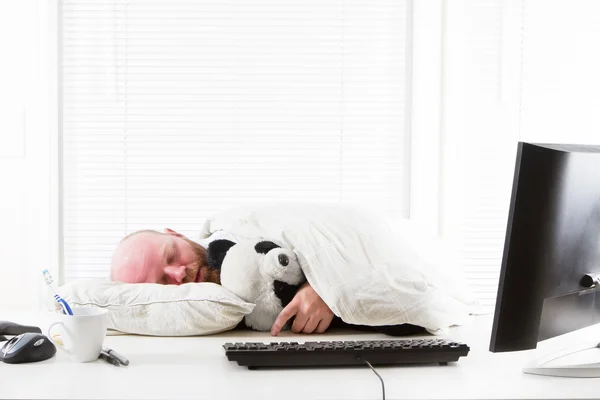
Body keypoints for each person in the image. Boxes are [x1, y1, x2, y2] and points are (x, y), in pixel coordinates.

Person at [110, 228, 335, 335]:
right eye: (161, 281)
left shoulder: (243, 233)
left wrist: (322, 286)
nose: (178, 274)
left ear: (176, 234)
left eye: (171, 255)